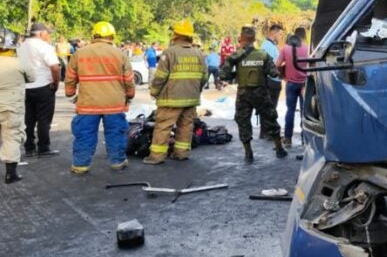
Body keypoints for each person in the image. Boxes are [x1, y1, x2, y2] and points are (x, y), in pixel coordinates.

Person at [64, 22, 135, 174]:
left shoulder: (79, 54)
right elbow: (129, 79)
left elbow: (70, 78)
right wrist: (130, 95)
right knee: (116, 133)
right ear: (112, 36)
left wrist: (71, 95)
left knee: (84, 134)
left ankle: (80, 165)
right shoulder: (120, 54)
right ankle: (117, 162)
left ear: (94, 35)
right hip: (114, 104)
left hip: (88, 104)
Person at [220, 26, 288, 162]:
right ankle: (279, 148)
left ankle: (248, 153)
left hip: (243, 93)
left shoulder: (235, 56)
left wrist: (237, 73)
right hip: (261, 92)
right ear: (254, 39)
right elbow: (274, 73)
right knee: (270, 118)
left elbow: (223, 75)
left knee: (243, 121)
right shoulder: (263, 55)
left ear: (241, 39)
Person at [144, 19, 207, 165]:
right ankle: (181, 153)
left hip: (170, 99)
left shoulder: (170, 53)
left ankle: (157, 156)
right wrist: (195, 90)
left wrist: (154, 91)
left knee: (163, 126)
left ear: (176, 35)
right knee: (186, 126)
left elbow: (160, 77)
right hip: (191, 99)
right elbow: (204, 77)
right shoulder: (198, 54)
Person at [17, 23, 61, 158]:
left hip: (25, 87)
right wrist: (56, 82)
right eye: (48, 33)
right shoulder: (45, 46)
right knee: (44, 119)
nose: (48, 36)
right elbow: (54, 67)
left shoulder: (21, 46)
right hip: (43, 86)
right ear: (41, 33)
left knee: (28, 119)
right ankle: (43, 147)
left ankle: (29, 148)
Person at [0, 29, 35, 183]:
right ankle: (10, 174)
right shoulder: (19, 63)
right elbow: (32, 77)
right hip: (12, 106)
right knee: (12, 137)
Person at [277, 27, 309, 147]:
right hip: (305, 85)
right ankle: (304, 140)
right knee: (304, 112)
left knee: (290, 111)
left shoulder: (285, 48)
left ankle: (288, 139)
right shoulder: (308, 49)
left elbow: (277, 65)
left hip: (290, 84)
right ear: (304, 36)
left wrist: (284, 76)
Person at [259, 24, 283, 139]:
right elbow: (272, 65)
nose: (280, 37)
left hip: (272, 80)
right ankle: (267, 132)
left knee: (269, 107)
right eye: (280, 34)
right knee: (270, 107)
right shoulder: (267, 46)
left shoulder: (269, 45)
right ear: (273, 33)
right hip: (271, 80)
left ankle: (265, 131)